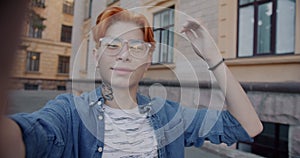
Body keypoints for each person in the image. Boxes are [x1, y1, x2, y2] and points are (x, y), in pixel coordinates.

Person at [4, 6, 262, 158]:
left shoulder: (170, 116)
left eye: (137, 46)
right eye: (113, 45)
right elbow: (24, 137)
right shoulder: (69, 114)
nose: (124, 54)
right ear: (96, 56)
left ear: (148, 59)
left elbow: (248, 127)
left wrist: (213, 57)